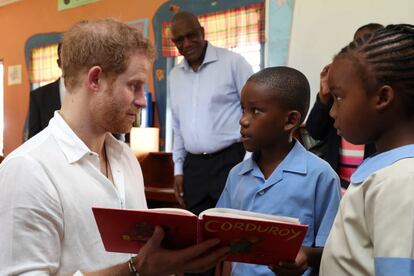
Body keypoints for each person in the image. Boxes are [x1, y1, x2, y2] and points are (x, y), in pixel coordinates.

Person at [0, 19, 229, 275]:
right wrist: (135, 270)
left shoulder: (125, 157)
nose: (143, 101)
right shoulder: (28, 170)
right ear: (95, 79)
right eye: (134, 86)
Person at [216, 67, 341, 275]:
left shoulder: (320, 175)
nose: (243, 120)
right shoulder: (236, 174)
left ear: (290, 120)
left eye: (255, 111)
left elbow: (332, 251)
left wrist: (304, 257)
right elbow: (224, 244)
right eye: (243, 109)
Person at [320, 24, 414, 275]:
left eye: (339, 98)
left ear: (382, 98)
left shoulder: (401, 180)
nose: (332, 111)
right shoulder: (388, 171)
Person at [168, 11, 253, 216]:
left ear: (202, 32)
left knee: (232, 228)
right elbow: (177, 127)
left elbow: (254, 112)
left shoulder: (233, 63)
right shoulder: (174, 76)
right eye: (179, 40)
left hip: (230, 161)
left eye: (191, 35)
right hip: (193, 167)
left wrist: (248, 162)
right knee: (197, 229)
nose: (187, 43)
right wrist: (178, 170)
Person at [306, 23, 383, 190]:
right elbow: (315, 130)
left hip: (371, 184)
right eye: (356, 45)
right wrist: (324, 97)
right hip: (338, 183)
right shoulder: (342, 85)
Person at [28, 43, 65, 139]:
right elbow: (33, 138)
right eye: (67, 56)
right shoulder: (39, 96)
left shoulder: (93, 91)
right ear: (59, 63)